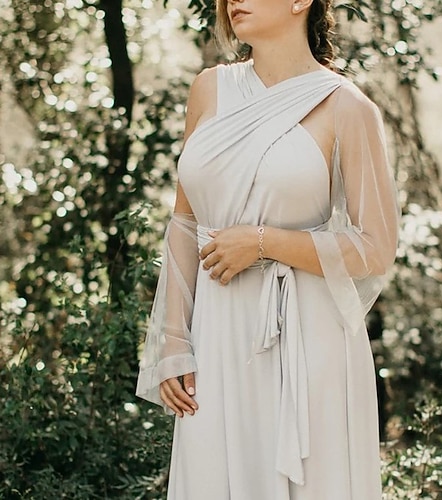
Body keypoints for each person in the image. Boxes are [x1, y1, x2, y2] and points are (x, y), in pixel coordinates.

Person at [136, 0, 399, 498]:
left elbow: (376, 248)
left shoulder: (347, 107)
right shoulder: (209, 89)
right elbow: (185, 222)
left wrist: (265, 243)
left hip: (307, 338)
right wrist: (173, 339)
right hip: (216, 334)